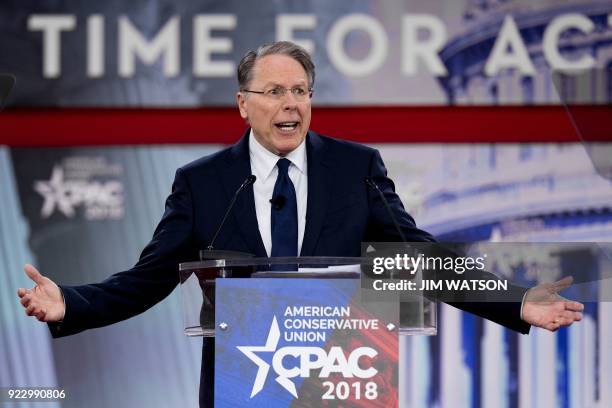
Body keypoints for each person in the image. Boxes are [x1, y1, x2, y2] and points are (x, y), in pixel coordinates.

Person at [17, 41, 584, 407]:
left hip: (339, 384)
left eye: (300, 91)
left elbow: (420, 256)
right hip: (245, 389)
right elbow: (149, 278)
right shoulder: (204, 182)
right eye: (274, 92)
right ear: (243, 104)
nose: (291, 103)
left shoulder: (355, 167)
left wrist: (517, 303)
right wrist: (71, 303)